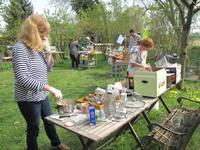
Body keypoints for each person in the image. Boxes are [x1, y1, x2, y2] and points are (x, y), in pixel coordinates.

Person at [12, 14, 69, 150]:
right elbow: (23, 78)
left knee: (50, 121)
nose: (44, 37)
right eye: (42, 34)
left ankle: (56, 143)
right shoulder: (20, 48)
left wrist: (48, 51)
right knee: (34, 127)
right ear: (32, 31)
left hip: (41, 95)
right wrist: (50, 88)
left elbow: (48, 68)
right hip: (28, 98)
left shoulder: (37, 48)